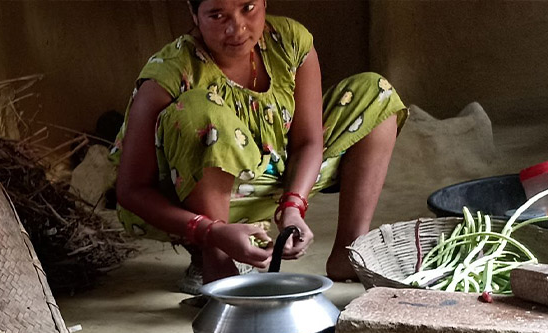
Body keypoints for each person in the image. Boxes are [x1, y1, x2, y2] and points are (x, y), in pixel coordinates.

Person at [112, 0, 407, 288]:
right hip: (188, 201)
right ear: (193, 13)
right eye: (217, 15)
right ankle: (217, 262)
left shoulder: (290, 42)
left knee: (375, 93)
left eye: (248, 8)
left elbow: (307, 141)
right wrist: (213, 233)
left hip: (277, 178)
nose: (237, 28)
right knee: (200, 112)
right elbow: (131, 191)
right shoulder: (169, 72)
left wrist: (293, 207)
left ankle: (349, 250)